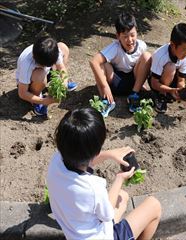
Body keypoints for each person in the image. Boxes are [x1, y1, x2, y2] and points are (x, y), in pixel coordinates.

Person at [47, 107, 161, 240]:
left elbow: (82, 158)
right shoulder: (92, 188)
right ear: (96, 150)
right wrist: (119, 179)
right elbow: (108, 214)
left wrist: (109, 154)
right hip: (103, 236)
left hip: (76, 231)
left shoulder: (56, 161)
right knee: (154, 205)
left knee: (122, 197)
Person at [90, 13, 151, 113]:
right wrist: (105, 87)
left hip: (133, 83)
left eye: (132, 35)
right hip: (116, 82)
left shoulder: (142, 46)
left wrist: (140, 84)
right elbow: (94, 62)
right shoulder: (115, 48)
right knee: (103, 64)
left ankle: (134, 95)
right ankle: (105, 99)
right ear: (118, 36)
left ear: (137, 32)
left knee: (147, 56)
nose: (130, 40)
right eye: (125, 36)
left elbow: (143, 66)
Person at [16, 36, 77, 116]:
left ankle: (58, 83)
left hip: (46, 71)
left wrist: (64, 81)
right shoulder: (26, 63)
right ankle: (36, 97)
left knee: (63, 47)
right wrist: (43, 101)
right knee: (40, 74)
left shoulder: (53, 50)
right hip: (28, 83)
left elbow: (62, 68)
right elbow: (22, 93)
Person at [149, 23, 186, 113]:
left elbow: (181, 80)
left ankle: (169, 94)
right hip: (157, 82)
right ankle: (161, 96)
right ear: (173, 45)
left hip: (171, 80)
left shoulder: (185, 58)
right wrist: (170, 90)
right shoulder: (160, 55)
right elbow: (154, 83)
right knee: (171, 67)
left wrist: (180, 91)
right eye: (184, 50)